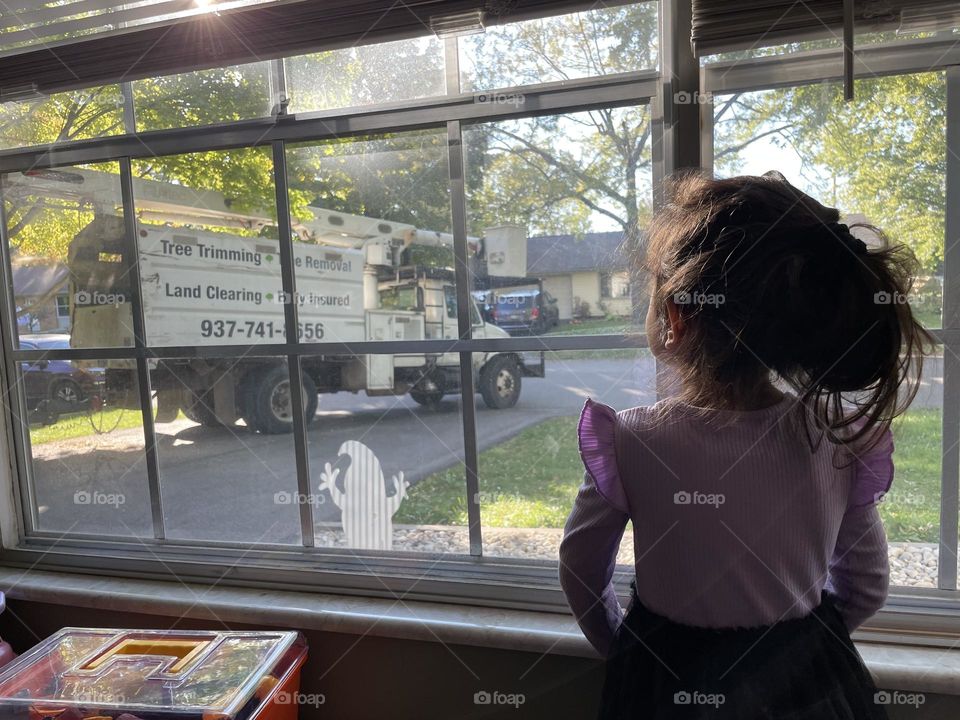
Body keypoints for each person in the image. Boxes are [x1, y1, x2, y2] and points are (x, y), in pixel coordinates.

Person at [559, 171, 932, 719]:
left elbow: (581, 570)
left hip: (666, 685)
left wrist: (625, 649)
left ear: (676, 316)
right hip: (810, 688)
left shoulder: (632, 439)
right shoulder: (838, 438)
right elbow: (868, 587)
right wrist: (799, 649)